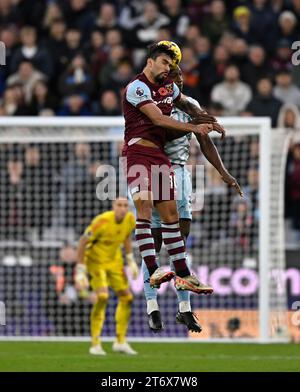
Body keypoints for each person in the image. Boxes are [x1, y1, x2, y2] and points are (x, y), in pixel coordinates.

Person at [122, 41, 225, 300]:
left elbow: (188, 106)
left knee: (170, 217)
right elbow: (157, 118)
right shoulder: (137, 87)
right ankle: (154, 270)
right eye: (165, 62)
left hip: (159, 155)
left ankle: (184, 274)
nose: (168, 67)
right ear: (150, 61)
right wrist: (194, 128)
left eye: (171, 64)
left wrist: (210, 119)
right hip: (137, 153)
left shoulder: (169, 87)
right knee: (144, 210)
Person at [142, 66, 242, 333]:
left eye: (181, 80)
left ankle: (184, 308)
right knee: (155, 243)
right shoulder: (150, 105)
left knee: (180, 244)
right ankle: (152, 306)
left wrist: (223, 172)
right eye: (174, 80)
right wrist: (192, 125)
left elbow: (204, 140)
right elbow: (159, 134)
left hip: (181, 174)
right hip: (155, 171)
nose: (179, 84)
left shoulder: (191, 104)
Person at [74, 197, 139, 355]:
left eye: (125, 205)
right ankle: (95, 343)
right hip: (95, 261)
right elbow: (83, 242)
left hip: (114, 261)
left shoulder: (130, 219)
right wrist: (80, 270)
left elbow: (126, 237)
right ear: (113, 206)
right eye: (119, 205)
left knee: (127, 298)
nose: (123, 208)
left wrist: (130, 260)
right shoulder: (101, 222)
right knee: (103, 297)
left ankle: (120, 341)